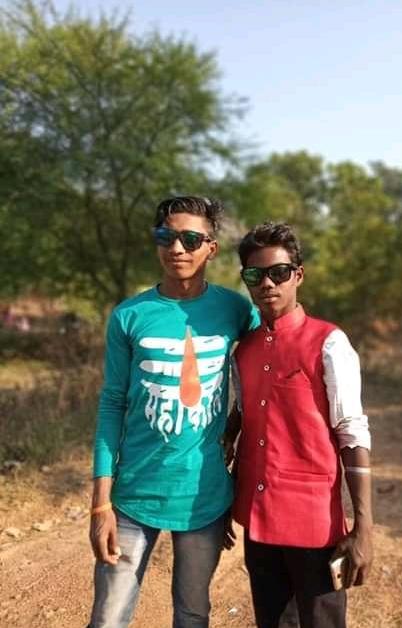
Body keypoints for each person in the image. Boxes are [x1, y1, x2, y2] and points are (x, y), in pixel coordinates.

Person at [87, 196, 259, 628]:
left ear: (211, 248)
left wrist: (236, 428)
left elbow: (267, 363)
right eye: (166, 236)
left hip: (204, 496)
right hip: (133, 494)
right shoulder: (129, 315)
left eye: (190, 239)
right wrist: (100, 505)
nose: (177, 248)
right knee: (107, 618)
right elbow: (112, 404)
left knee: (192, 614)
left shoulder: (236, 310)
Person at [224, 222, 373, 628]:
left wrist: (363, 527)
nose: (267, 283)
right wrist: (225, 503)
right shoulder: (244, 350)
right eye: (255, 275)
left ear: (298, 275)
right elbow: (245, 420)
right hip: (257, 520)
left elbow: (352, 432)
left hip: (313, 523)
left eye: (279, 272)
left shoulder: (329, 343)